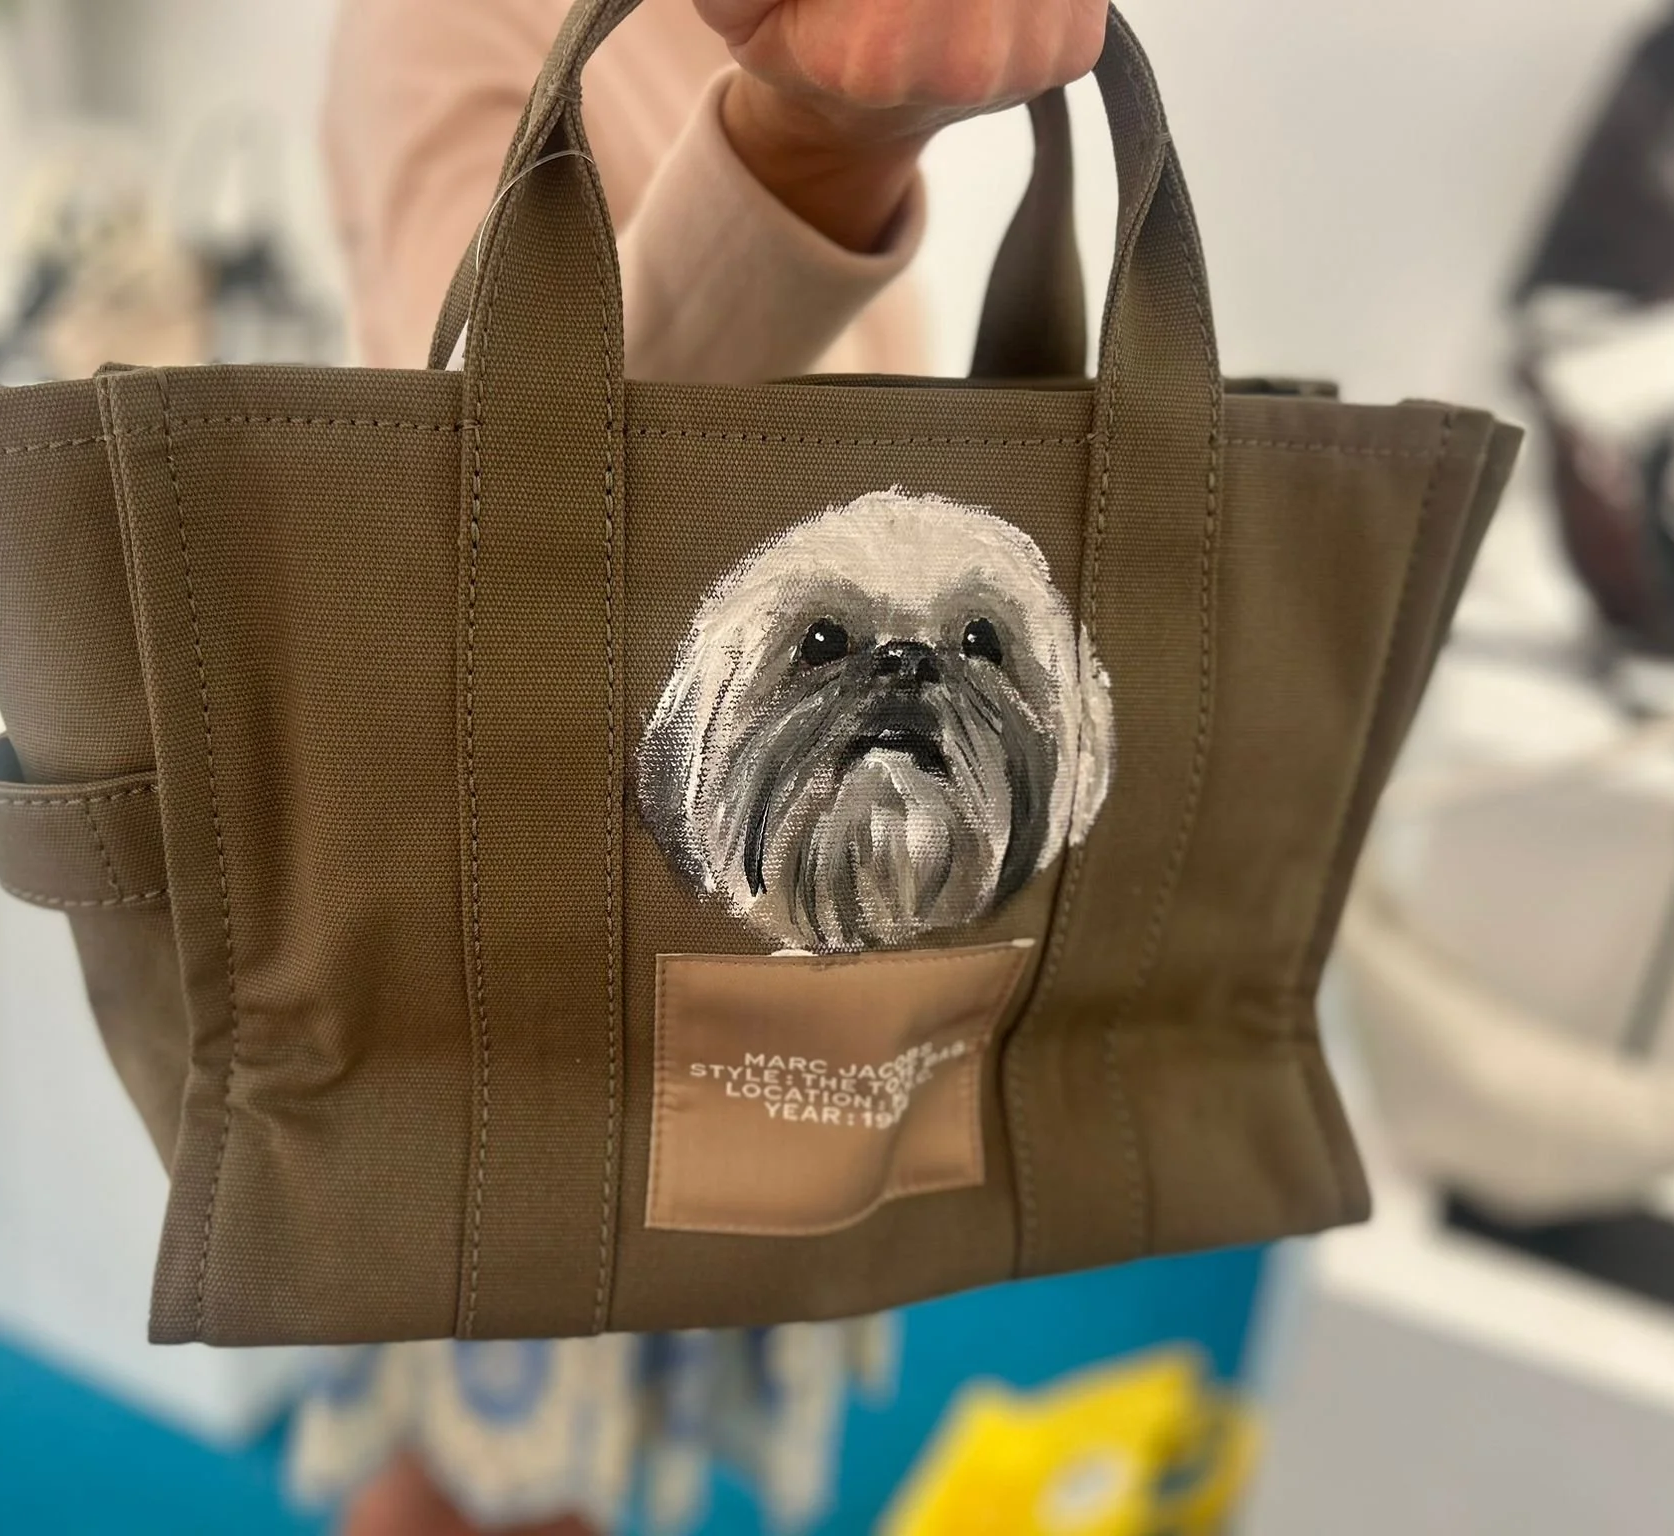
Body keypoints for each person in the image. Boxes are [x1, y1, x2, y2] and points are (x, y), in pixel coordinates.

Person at [311, 3, 1108, 1531]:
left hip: (805, 962)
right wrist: (818, 146)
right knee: (490, 1453)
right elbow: (482, 482)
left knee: (607, 1442)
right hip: (539, 940)